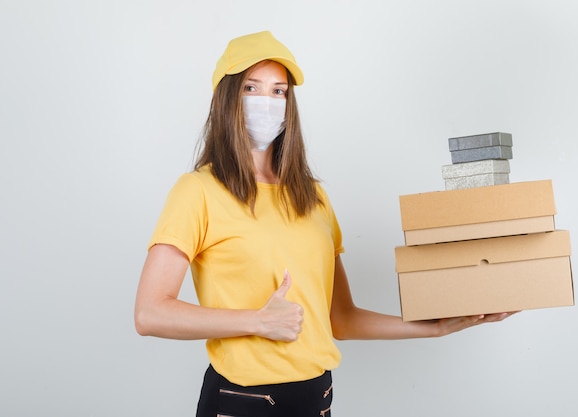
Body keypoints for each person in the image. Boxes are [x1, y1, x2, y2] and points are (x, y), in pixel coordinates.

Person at [134, 30, 514, 417]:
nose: (267, 102)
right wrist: (257, 321)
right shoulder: (198, 191)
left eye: (279, 91)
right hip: (242, 403)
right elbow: (150, 313)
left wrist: (436, 326)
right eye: (252, 87)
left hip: (317, 399)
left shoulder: (313, 197)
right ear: (224, 98)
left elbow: (341, 319)